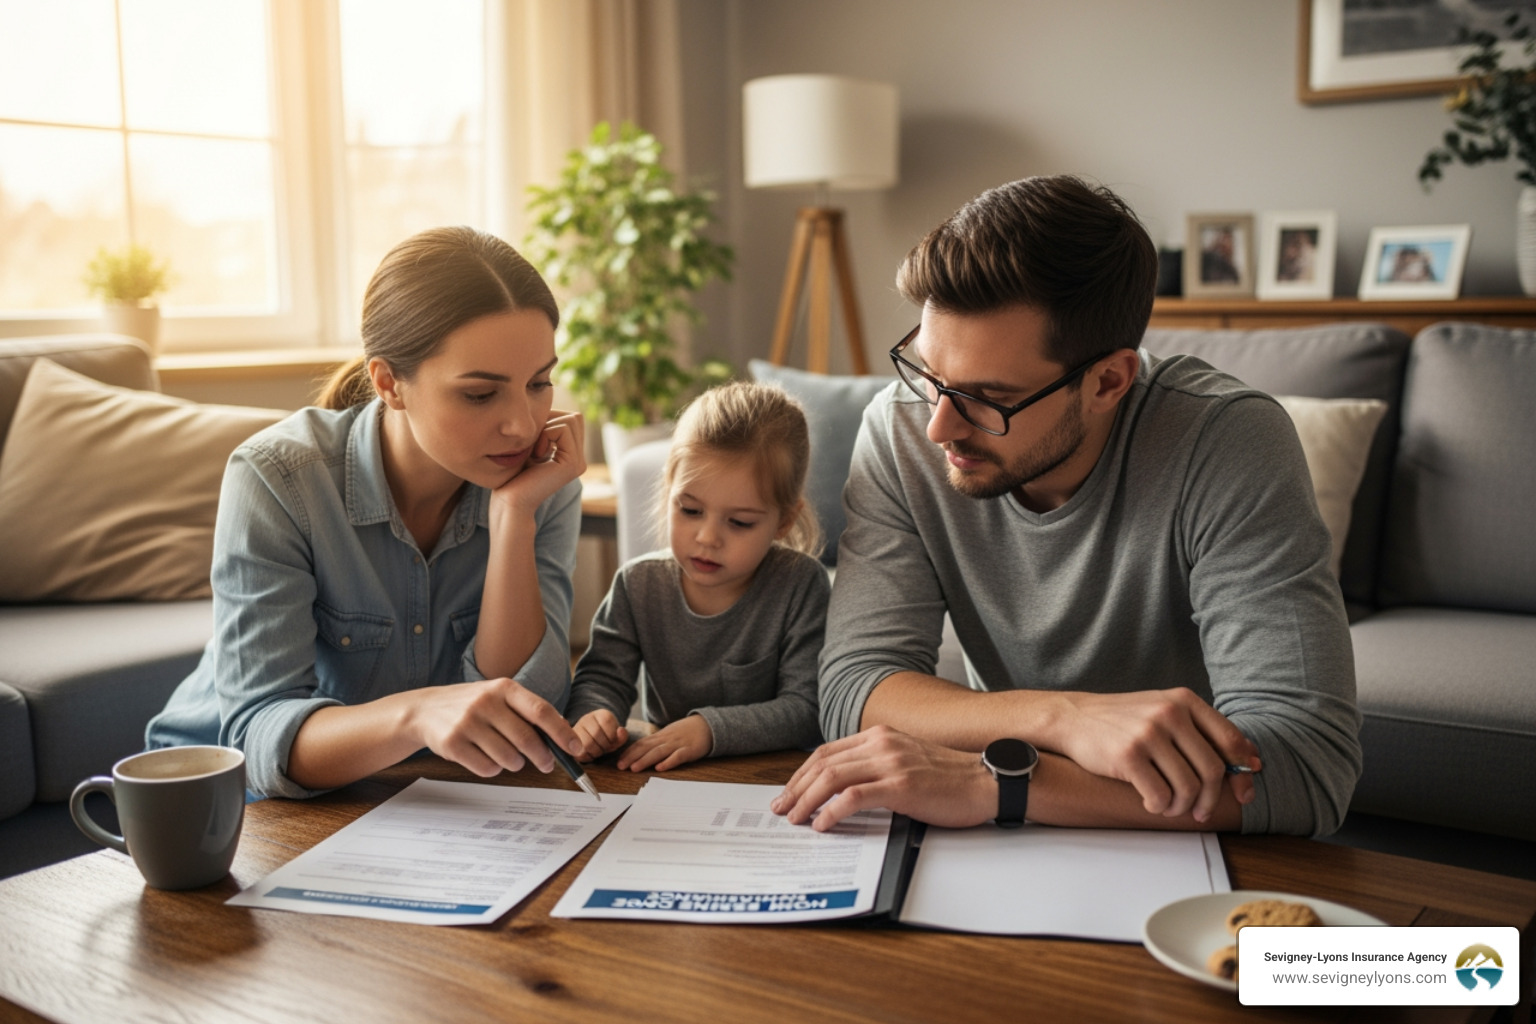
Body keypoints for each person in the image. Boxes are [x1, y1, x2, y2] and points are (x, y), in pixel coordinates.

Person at [772, 175, 1361, 837]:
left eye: (988, 398)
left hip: (1178, 848)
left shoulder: (1227, 442)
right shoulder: (900, 429)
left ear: (1108, 381)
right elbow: (855, 687)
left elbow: (1306, 768)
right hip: (1020, 836)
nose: (939, 427)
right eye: (930, 375)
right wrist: (1061, 719)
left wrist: (996, 782)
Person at [146, 226, 589, 798]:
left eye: (539, 383)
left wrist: (513, 519)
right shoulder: (279, 478)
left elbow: (527, 715)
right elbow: (256, 736)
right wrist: (417, 714)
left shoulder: (540, 482)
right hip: (225, 800)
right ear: (389, 383)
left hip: (411, 796)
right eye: (480, 394)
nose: (523, 425)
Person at [567, 381, 828, 772]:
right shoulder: (638, 584)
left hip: (770, 778)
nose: (707, 538)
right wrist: (594, 717)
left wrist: (709, 731)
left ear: (784, 521)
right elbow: (601, 679)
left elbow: (807, 709)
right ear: (668, 492)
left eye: (739, 522)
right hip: (667, 774)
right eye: (690, 510)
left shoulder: (800, 585)